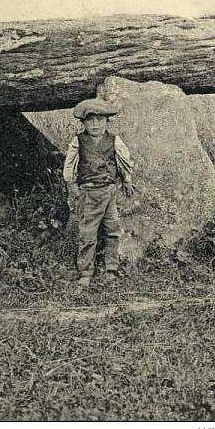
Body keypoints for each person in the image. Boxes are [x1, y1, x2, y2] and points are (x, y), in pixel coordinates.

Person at [63, 95, 134, 287]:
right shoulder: (78, 142)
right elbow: (69, 167)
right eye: (90, 120)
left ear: (107, 122)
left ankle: (111, 268)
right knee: (88, 233)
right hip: (88, 193)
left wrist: (127, 180)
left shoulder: (114, 140)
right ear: (83, 123)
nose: (95, 125)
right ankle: (85, 272)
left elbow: (123, 162)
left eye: (100, 120)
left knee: (112, 230)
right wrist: (72, 186)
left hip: (109, 192)